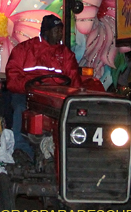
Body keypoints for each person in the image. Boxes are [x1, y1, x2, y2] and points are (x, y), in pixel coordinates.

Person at [5, 15, 81, 162]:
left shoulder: (65, 54)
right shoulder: (24, 50)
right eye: (56, 30)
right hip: (28, 93)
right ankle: (21, 150)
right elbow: (12, 79)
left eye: (61, 30)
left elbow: (74, 79)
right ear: (46, 32)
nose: (59, 34)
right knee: (20, 107)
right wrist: (29, 87)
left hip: (57, 95)